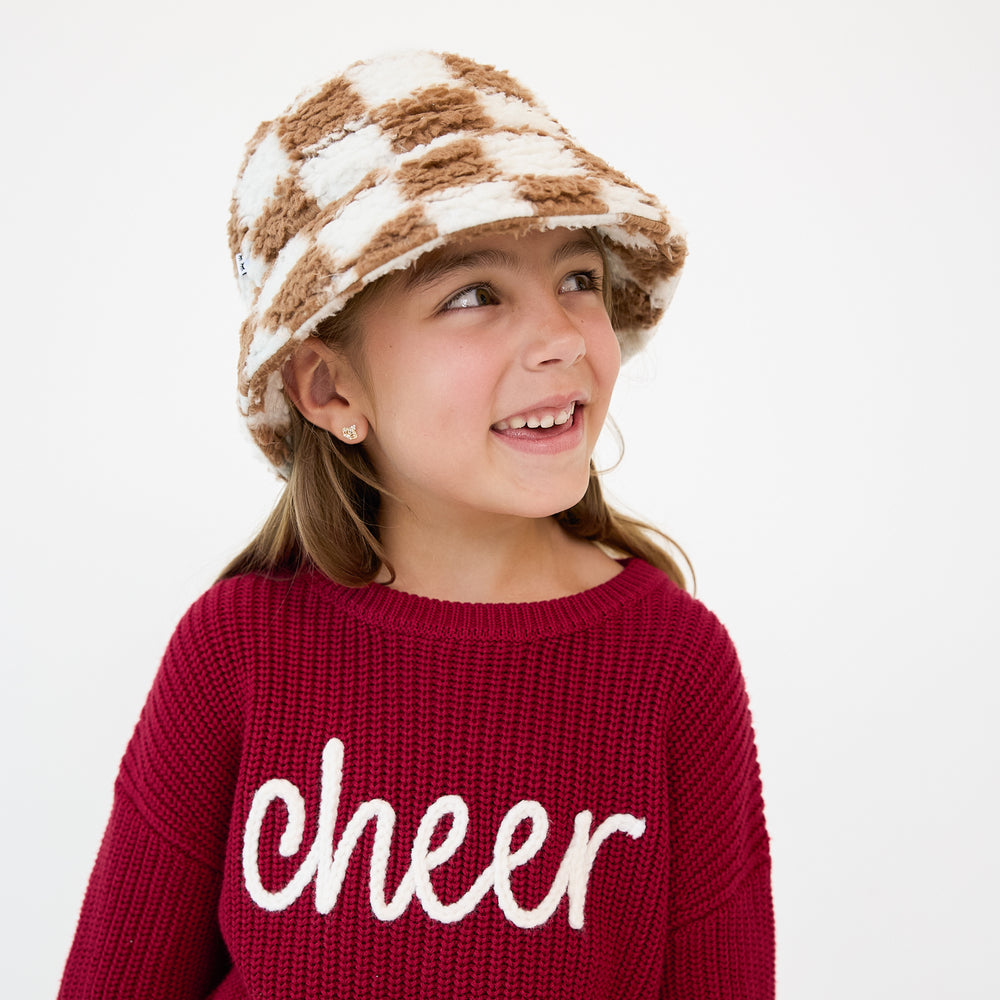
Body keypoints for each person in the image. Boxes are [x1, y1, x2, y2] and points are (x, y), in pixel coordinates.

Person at [58, 50, 774, 999]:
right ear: (330, 386)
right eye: (473, 295)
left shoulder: (675, 667)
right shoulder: (235, 651)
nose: (561, 336)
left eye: (578, 276)